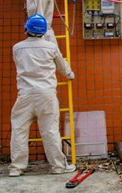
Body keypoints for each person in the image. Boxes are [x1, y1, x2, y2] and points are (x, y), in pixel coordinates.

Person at [8, 14, 76, 177]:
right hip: (46, 94)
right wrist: (70, 75)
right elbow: (62, 66)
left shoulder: (17, 48)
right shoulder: (50, 47)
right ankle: (58, 166)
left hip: (25, 94)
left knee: (19, 129)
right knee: (50, 130)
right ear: (44, 31)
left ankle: (17, 167)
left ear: (27, 29)